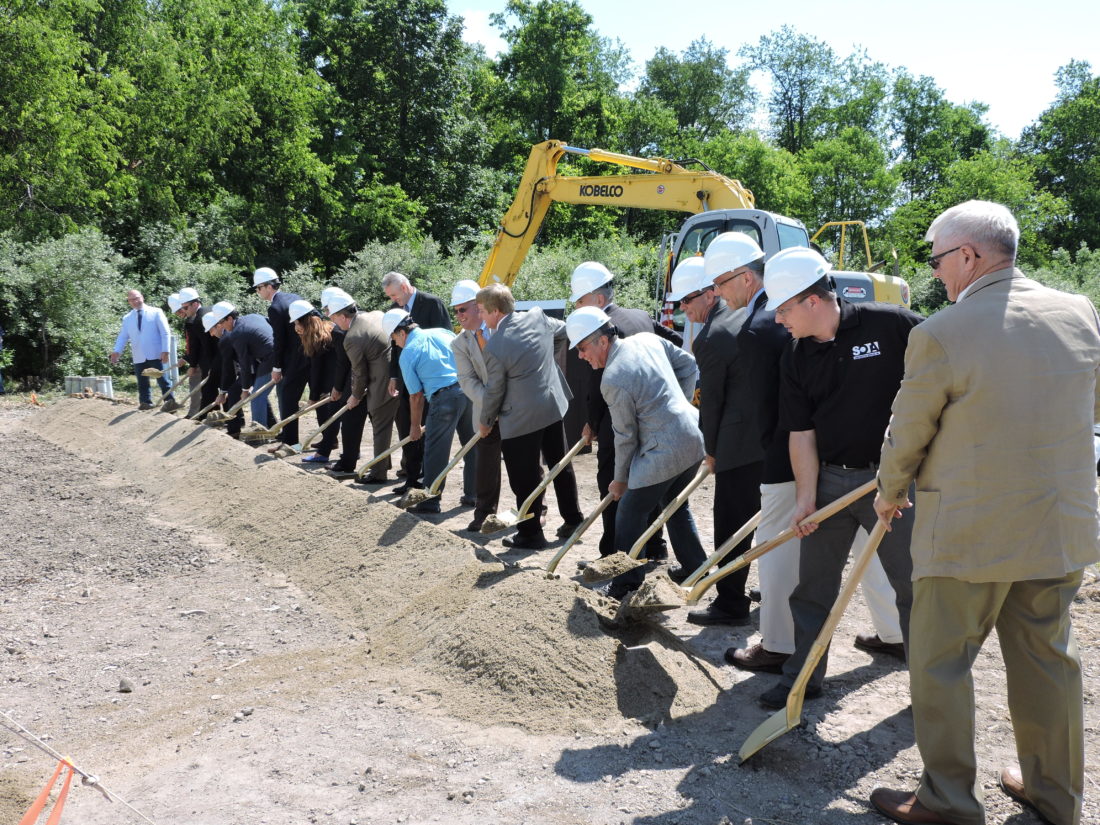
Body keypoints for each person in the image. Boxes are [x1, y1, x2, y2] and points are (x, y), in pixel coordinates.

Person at [869, 201, 1100, 825]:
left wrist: (889, 492)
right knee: (1047, 659)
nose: (937, 273)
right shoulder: (1080, 312)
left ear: (968, 255)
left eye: (938, 258)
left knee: (940, 663)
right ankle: (1056, 796)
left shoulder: (943, 331)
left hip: (967, 535)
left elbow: (907, 431)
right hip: (1058, 527)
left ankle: (948, 801)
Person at [758, 246, 921, 710]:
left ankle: (930, 691)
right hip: (831, 480)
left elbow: (944, 376)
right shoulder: (795, 356)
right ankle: (803, 677)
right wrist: (806, 498)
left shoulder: (891, 324)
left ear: (813, 301)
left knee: (912, 586)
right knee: (813, 587)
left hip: (892, 485)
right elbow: (801, 431)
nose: (778, 320)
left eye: (784, 309)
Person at [567, 306, 706, 600]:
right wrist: (678, 406)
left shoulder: (613, 377)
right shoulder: (647, 340)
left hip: (664, 450)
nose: (580, 356)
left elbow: (625, 437)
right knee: (676, 505)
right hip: (693, 437)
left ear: (602, 341)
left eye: (582, 348)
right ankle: (695, 567)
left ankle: (626, 584)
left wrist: (620, 480)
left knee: (630, 512)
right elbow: (690, 365)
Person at [570, 261, 681, 560]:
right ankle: (654, 545)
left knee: (614, 485)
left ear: (599, 299)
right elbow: (677, 343)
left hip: (615, 423)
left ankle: (613, 555)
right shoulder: (641, 316)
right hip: (651, 417)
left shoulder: (597, 331)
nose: (578, 308)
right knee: (647, 480)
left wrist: (591, 424)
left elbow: (597, 386)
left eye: (580, 301)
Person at [673, 252, 758, 626]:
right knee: (763, 519)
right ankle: (767, 590)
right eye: (679, 303)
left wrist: (711, 450)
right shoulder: (744, 315)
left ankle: (730, 603)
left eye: (687, 301)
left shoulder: (710, 338)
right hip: (765, 437)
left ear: (710, 293)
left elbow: (713, 403)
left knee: (730, 523)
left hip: (738, 446)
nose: (683, 310)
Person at [477, 283, 583, 550]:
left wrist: (485, 421)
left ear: (496, 312)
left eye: (481, 311)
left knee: (524, 478)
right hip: (551, 405)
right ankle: (573, 520)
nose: (480, 317)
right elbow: (562, 332)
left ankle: (531, 534)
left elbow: (495, 391)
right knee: (561, 465)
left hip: (521, 419)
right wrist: (547, 363)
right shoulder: (537, 317)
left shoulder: (496, 347)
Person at [384, 308, 475, 514]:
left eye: (393, 338)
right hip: (468, 391)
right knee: (471, 445)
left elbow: (415, 397)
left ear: (401, 332)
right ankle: (473, 494)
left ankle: (430, 502)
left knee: (435, 452)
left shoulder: (407, 354)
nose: (395, 343)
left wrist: (415, 426)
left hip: (444, 400)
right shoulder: (443, 333)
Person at [381, 271, 450, 489]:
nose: (393, 300)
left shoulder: (431, 303)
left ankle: (426, 480)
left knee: (426, 430)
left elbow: (446, 337)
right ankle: (410, 478)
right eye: (390, 297)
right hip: (406, 378)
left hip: (431, 381)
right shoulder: (395, 311)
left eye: (393, 295)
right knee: (407, 428)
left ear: (404, 286)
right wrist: (393, 375)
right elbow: (394, 346)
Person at [327, 292, 398, 480]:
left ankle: (378, 474)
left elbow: (359, 372)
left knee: (380, 423)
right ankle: (386, 463)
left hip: (383, 380)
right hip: (397, 372)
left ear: (343, 316)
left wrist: (355, 396)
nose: (334, 323)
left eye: (334, 318)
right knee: (392, 422)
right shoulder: (374, 314)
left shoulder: (352, 338)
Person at [450, 279, 502, 532]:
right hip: (485, 410)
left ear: (479, 306)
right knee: (485, 465)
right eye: (456, 310)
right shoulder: (459, 343)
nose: (459, 315)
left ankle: (536, 512)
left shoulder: (501, 329)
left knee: (525, 463)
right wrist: (492, 402)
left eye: (463, 309)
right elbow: (467, 381)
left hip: (517, 407)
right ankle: (484, 514)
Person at [254, 267, 311, 447]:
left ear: (268, 286)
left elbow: (279, 341)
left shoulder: (275, 307)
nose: (257, 292)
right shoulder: (294, 297)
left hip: (295, 359)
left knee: (287, 399)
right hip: (312, 353)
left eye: (258, 288)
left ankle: (290, 442)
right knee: (317, 394)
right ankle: (329, 440)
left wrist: (277, 367)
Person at [288, 298, 341, 463]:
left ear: (305, 321)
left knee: (331, 418)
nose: (295, 327)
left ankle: (323, 453)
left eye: (297, 323)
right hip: (335, 379)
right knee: (329, 416)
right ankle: (331, 442)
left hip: (333, 382)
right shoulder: (327, 327)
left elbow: (316, 370)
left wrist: (313, 397)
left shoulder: (317, 337)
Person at [207, 301, 276, 427]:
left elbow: (244, 363)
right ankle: (271, 427)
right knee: (262, 394)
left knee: (256, 396)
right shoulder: (252, 317)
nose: (221, 326)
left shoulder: (237, 333)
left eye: (221, 322)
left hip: (270, 358)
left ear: (229, 318)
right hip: (274, 355)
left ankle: (259, 432)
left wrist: (245, 389)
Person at [110, 289, 173, 409]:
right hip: (138, 354)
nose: (135, 301)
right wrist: (116, 351)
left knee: (163, 380)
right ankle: (145, 403)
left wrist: (166, 350)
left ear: (142, 297)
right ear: (128, 302)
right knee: (142, 382)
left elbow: (165, 332)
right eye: (131, 300)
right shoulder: (127, 318)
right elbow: (123, 336)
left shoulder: (156, 312)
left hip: (156, 353)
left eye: (137, 298)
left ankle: (170, 403)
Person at [176, 287, 219, 418]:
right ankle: (217, 417)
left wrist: (193, 365)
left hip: (211, 359)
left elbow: (201, 346)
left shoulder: (198, 320)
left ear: (195, 304)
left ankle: (204, 417)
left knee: (209, 390)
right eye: (182, 308)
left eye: (185, 307)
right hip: (222, 357)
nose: (183, 311)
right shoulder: (211, 309)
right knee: (221, 390)